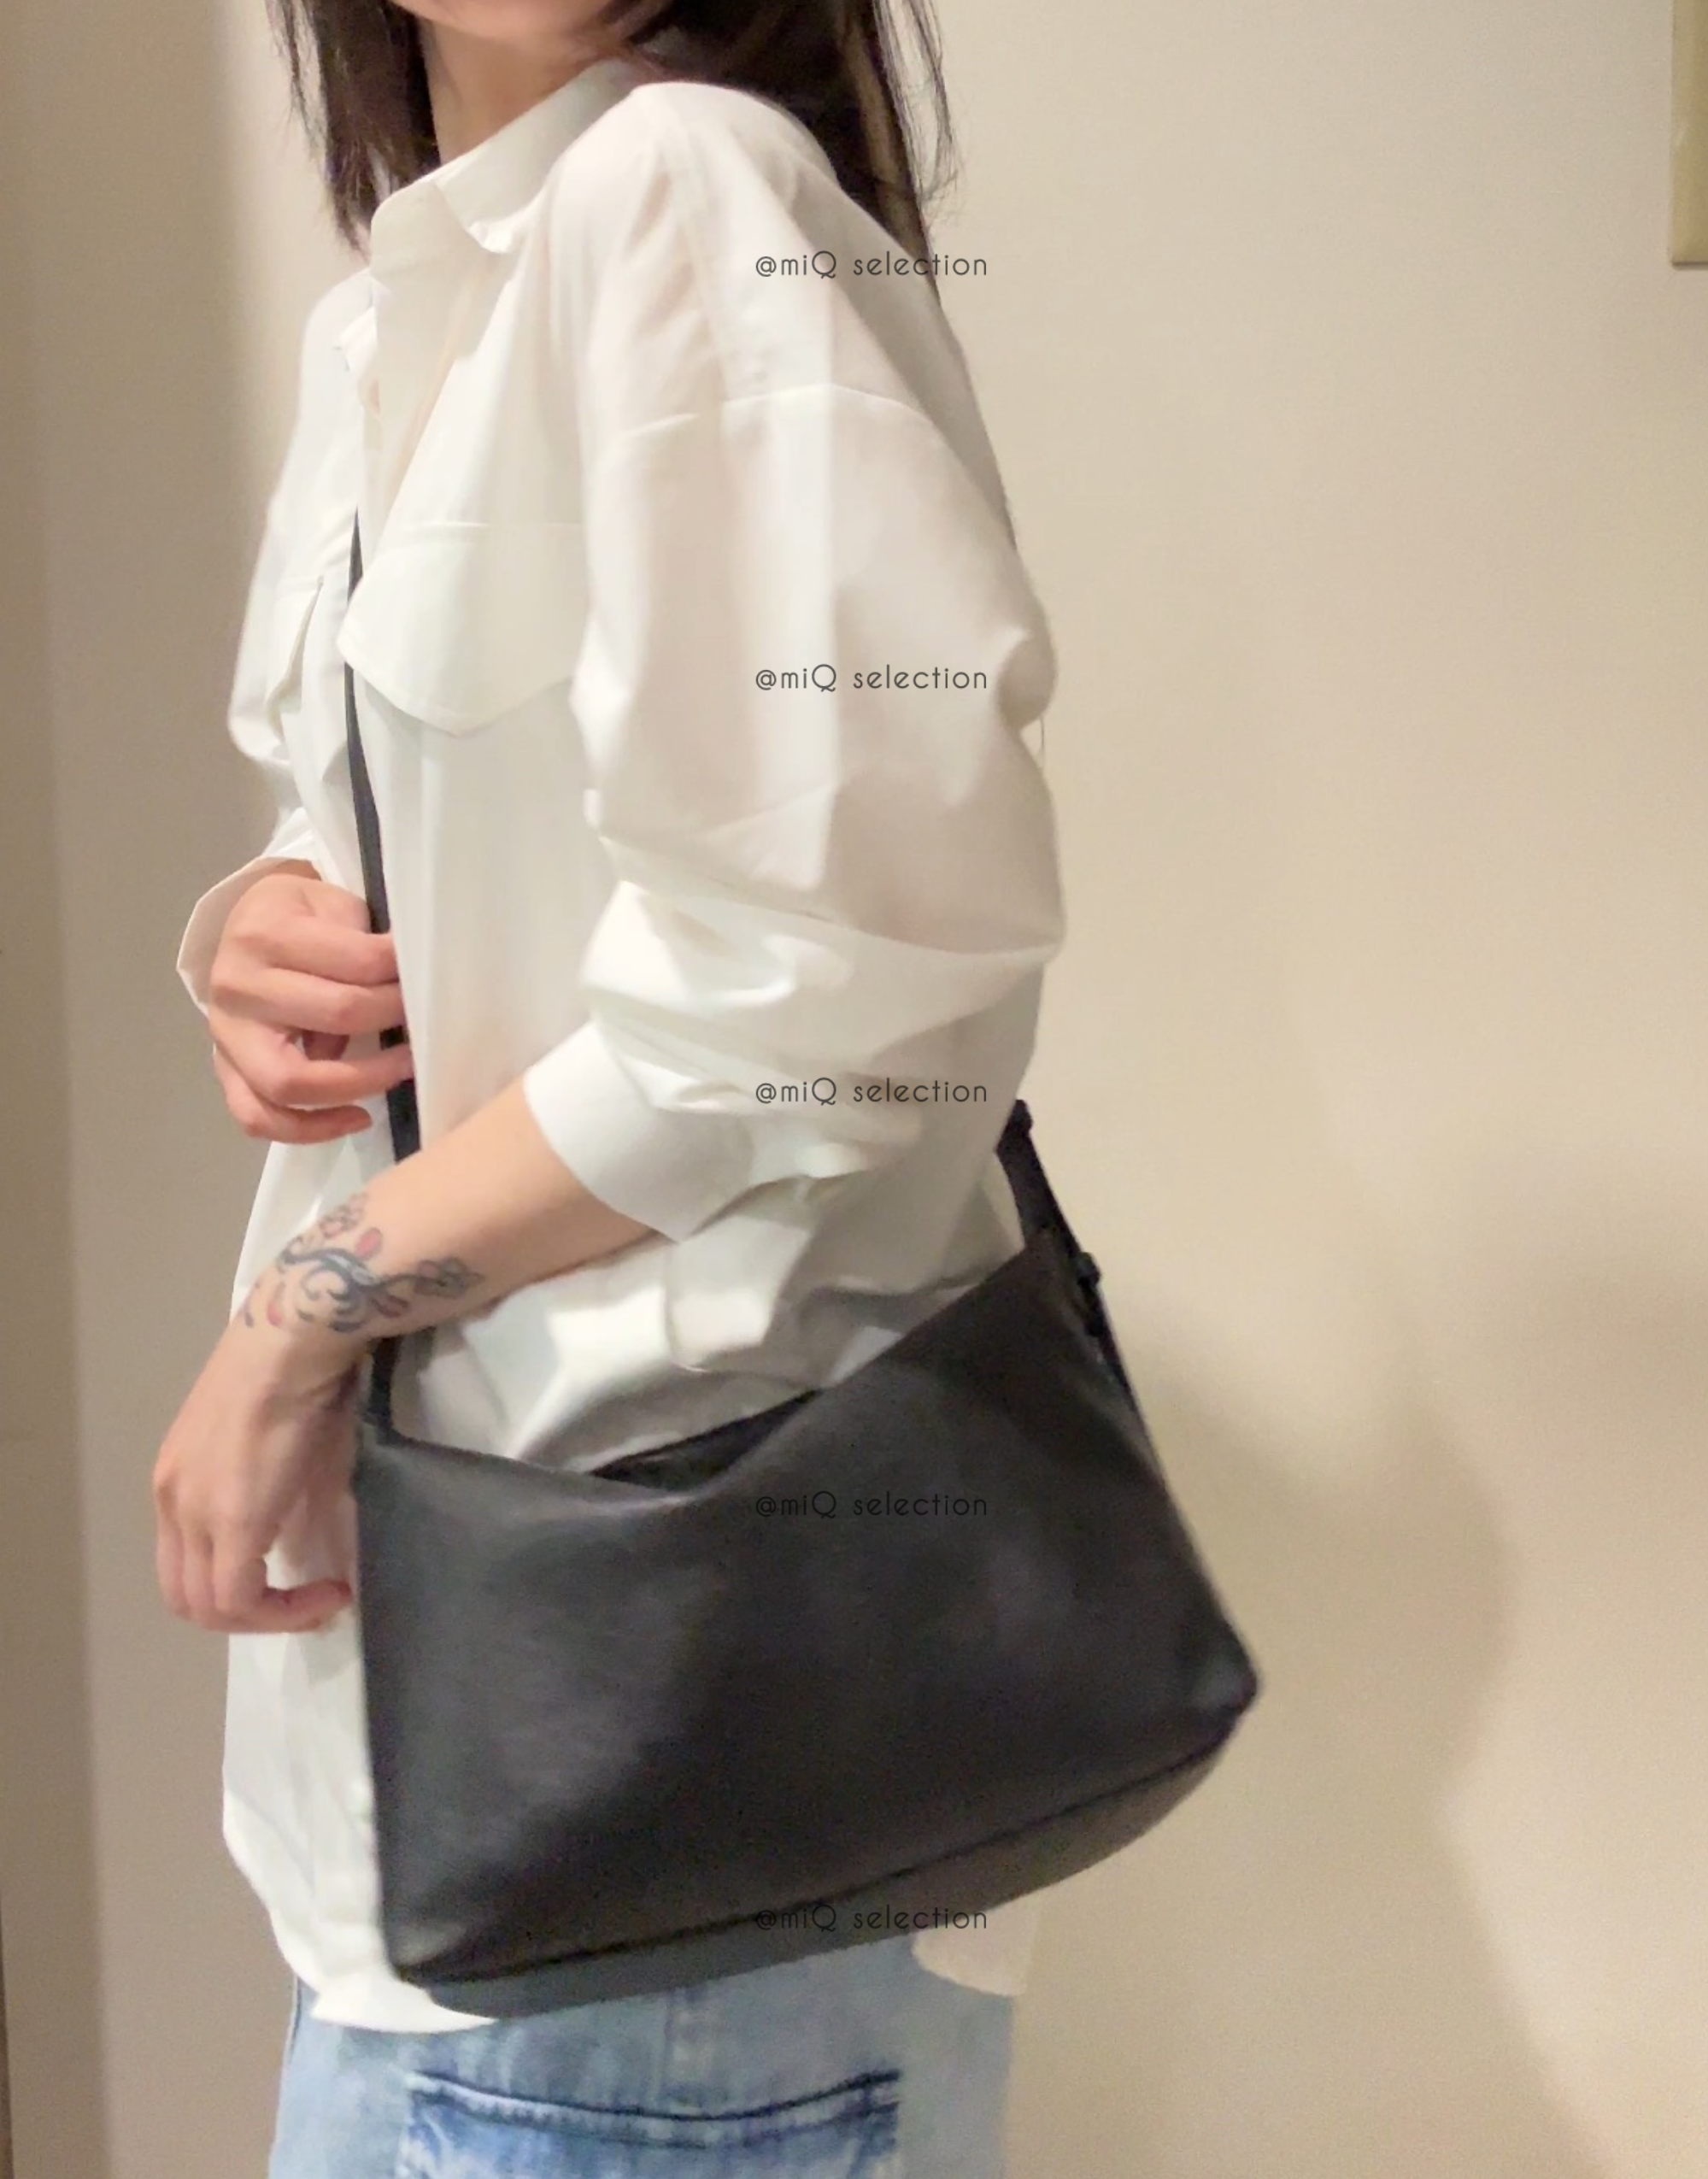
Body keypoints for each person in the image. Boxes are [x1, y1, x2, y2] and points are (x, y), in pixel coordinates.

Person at [153, 0, 1067, 2170]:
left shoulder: (683, 190)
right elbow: (474, 848)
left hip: (658, 1758)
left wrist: (303, 1316)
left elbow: (832, 985)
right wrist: (259, 931)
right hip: (474, 1768)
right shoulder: (391, 310)